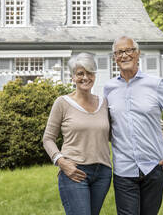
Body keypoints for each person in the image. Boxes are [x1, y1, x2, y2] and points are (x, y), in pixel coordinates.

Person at [104, 36, 163, 215]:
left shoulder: (155, 84)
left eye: (129, 50)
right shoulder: (109, 88)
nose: (124, 55)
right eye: (119, 52)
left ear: (138, 54)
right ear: (114, 57)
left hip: (153, 168)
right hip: (123, 170)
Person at [43, 53, 112, 215]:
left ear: (94, 76)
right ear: (72, 77)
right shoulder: (62, 103)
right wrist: (60, 161)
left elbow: (112, 135)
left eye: (89, 73)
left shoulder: (104, 103)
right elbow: (48, 138)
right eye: (80, 73)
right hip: (74, 171)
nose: (85, 77)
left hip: (103, 173)